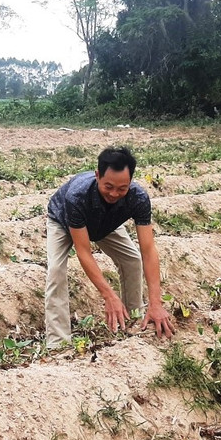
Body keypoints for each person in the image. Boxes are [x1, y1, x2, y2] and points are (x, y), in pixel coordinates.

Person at [44, 146, 174, 349]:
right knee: (56, 271)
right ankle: (58, 342)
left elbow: (148, 251)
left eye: (122, 189)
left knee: (132, 259)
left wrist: (156, 303)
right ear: (97, 175)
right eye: (108, 187)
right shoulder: (77, 196)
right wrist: (109, 296)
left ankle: (135, 319)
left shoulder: (138, 198)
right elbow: (84, 251)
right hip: (64, 222)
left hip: (106, 223)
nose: (114, 193)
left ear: (130, 181)